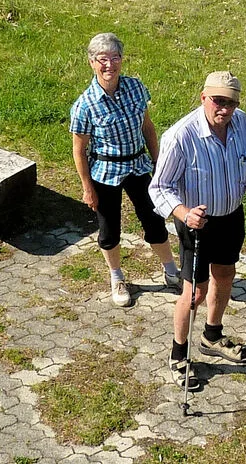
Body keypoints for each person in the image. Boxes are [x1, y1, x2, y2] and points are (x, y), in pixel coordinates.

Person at [150, 71, 246, 390]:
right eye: (218, 101)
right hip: (196, 224)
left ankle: (212, 335)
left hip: (231, 215)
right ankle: (178, 355)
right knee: (195, 292)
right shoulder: (180, 136)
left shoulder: (242, 122)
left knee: (226, 273)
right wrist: (183, 213)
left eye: (231, 102)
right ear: (203, 97)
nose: (225, 109)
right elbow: (160, 186)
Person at [70, 33, 179, 308]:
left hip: (138, 164)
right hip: (105, 171)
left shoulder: (135, 87)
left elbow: (148, 127)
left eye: (115, 58)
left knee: (154, 219)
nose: (110, 65)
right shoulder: (85, 104)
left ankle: (171, 270)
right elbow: (79, 150)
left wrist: (159, 164)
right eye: (102, 60)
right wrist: (87, 188)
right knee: (110, 229)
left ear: (122, 60)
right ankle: (117, 277)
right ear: (92, 63)